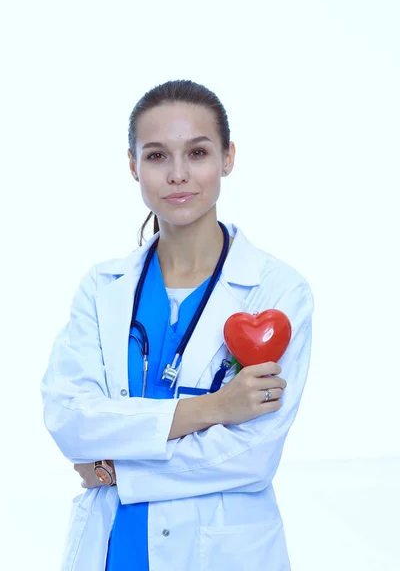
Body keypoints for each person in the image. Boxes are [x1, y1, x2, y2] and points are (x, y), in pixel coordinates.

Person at [40, 79, 314, 571]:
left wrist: (117, 470)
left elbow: (251, 457)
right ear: (133, 165)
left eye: (198, 152)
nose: (179, 175)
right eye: (157, 156)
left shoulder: (277, 291)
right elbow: (71, 420)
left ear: (228, 158)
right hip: (111, 548)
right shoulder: (103, 288)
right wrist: (214, 408)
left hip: (222, 551)